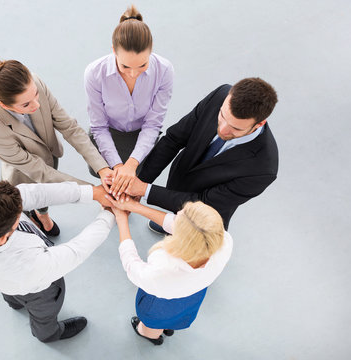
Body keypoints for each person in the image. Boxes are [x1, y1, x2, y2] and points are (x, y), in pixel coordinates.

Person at [0, 180, 115, 343]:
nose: (23, 204)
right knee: (44, 313)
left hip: (4, 281)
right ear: (4, 236)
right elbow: (77, 250)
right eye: (19, 214)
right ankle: (49, 334)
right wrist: (108, 215)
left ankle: (14, 303)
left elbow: (36, 194)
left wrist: (92, 193)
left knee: (11, 294)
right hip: (36, 292)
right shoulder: (29, 266)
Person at [0, 54, 113, 237]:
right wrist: (94, 192)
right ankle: (35, 218)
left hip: (49, 155)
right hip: (24, 174)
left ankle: (43, 214)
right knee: (29, 201)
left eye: (36, 95)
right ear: (3, 104)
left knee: (48, 194)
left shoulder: (35, 83)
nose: (36, 104)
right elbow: (40, 172)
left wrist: (102, 168)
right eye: (26, 104)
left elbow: (69, 127)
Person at [121, 77, 279, 230]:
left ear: (259, 124)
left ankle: (175, 225)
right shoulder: (220, 95)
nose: (222, 129)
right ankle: (172, 218)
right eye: (222, 116)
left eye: (236, 128)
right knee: (172, 219)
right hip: (180, 180)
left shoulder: (263, 169)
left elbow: (204, 204)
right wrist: (137, 183)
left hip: (204, 216)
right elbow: (174, 139)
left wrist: (144, 189)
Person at [106, 196, 233, 345]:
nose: (176, 214)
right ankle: (169, 327)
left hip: (159, 304)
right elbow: (189, 230)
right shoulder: (224, 240)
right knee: (176, 318)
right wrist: (134, 206)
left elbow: (132, 265)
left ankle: (150, 336)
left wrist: (122, 220)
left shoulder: (164, 267)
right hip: (193, 296)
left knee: (151, 324)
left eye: (178, 216)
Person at [84, 5, 174, 197]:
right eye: (125, 66)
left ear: (151, 51)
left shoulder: (164, 70)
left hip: (142, 138)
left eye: (142, 65)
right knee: (111, 193)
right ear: (113, 51)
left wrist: (132, 164)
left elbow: (153, 124)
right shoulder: (94, 73)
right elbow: (99, 127)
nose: (133, 73)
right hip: (108, 136)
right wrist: (117, 166)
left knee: (133, 194)